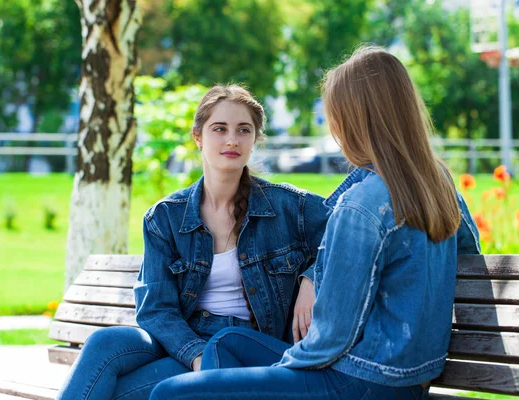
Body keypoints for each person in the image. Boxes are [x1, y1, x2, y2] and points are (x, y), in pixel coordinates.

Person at [150, 46, 481, 400]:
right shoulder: (437, 182)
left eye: (333, 116)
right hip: (409, 378)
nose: (334, 129)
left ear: (354, 120)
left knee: (170, 394)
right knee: (229, 343)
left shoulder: (362, 205)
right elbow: (469, 255)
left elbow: (330, 338)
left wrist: (276, 374)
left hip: (358, 380)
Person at [56, 84, 330, 400]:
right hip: (184, 339)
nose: (232, 140)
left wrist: (311, 279)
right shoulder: (165, 218)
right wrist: (195, 354)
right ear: (198, 137)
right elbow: (156, 310)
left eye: (244, 130)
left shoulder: (287, 206)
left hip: (241, 346)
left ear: (254, 139)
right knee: (104, 343)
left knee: (118, 393)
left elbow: (348, 231)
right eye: (219, 129)